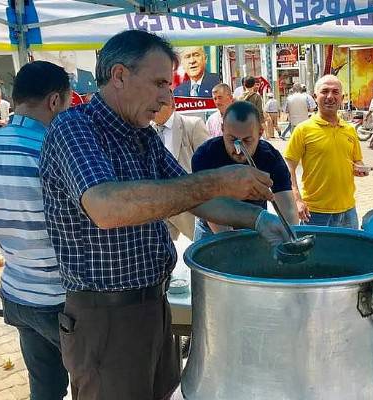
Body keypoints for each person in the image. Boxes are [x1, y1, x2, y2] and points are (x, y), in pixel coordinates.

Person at [39, 30, 287, 400]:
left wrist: (258, 220)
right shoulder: (74, 128)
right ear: (120, 75)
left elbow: (191, 198)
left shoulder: (143, 136)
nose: (166, 97)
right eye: (158, 83)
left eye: (168, 85)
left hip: (154, 305)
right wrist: (216, 180)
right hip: (106, 317)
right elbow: (107, 207)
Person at [0, 61, 71, 400]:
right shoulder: (53, 151)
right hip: (60, 297)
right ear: (55, 101)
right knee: (90, 384)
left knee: (44, 388)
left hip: (17, 292)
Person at [192, 101, 297, 240]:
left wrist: (290, 238)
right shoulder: (205, 155)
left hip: (256, 226)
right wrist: (232, 246)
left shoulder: (270, 157)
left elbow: (288, 208)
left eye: (247, 141)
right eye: (232, 140)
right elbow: (210, 208)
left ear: (260, 132)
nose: (238, 149)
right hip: (211, 227)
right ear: (222, 129)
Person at [284, 75, 369, 229]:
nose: (330, 96)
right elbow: (288, 168)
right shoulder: (303, 130)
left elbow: (357, 160)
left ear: (342, 98)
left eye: (335, 92)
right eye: (325, 91)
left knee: (349, 253)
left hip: (348, 212)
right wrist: (297, 200)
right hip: (315, 213)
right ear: (315, 97)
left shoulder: (349, 130)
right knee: (317, 253)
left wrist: (359, 168)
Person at [151, 103, 210, 239]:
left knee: (202, 248)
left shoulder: (192, 125)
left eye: (158, 103)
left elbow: (207, 166)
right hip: (160, 205)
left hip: (190, 203)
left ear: (171, 104)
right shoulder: (148, 131)